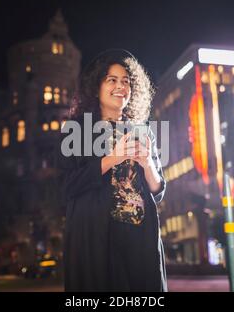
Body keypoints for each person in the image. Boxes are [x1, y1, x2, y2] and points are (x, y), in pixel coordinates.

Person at [58, 49, 167, 292]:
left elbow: (158, 190)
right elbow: (66, 186)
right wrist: (111, 158)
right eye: (112, 80)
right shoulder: (77, 129)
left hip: (140, 235)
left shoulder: (143, 131)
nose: (121, 86)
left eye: (126, 82)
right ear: (96, 87)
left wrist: (148, 163)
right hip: (96, 236)